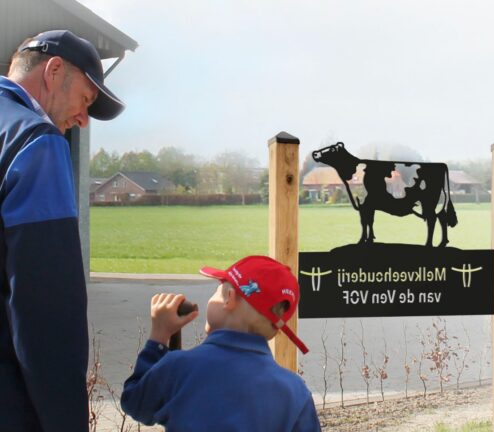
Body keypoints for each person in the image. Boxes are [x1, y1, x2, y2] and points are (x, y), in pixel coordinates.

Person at [0, 30, 125, 431]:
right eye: (85, 99)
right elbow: (46, 309)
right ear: (53, 71)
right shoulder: (34, 142)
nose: (83, 119)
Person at [121, 255, 320, 431]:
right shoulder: (294, 391)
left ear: (229, 299)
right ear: (276, 328)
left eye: (216, 291)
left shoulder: (179, 367)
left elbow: (136, 404)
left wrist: (159, 336)